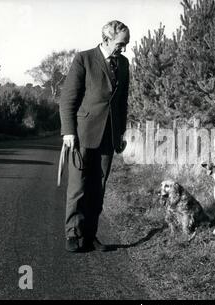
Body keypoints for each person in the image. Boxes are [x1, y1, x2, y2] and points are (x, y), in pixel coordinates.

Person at [59, 20, 130, 252]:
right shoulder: (84, 59)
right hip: (82, 133)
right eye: (121, 43)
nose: (124, 49)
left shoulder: (124, 63)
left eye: (126, 44)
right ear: (106, 38)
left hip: (109, 136)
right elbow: (68, 98)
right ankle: (73, 234)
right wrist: (69, 131)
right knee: (78, 186)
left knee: (98, 188)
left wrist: (120, 133)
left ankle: (90, 236)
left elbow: (122, 103)